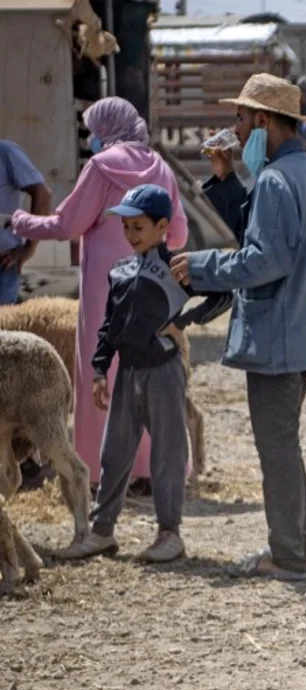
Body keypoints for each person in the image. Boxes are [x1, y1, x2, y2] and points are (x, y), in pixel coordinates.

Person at [170, 73, 306, 580]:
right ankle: (298, 546)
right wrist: (224, 179)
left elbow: (264, 259)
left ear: (263, 121)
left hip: (278, 333)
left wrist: (201, 267)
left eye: (241, 119)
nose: (235, 130)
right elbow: (262, 232)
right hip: (301, 329)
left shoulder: (278, 180)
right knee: (285, 441)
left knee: (277, 447)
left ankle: (287, 555)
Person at [8, 98, 188, 487]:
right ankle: (150, 470)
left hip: (103, 289)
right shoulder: (161, 168)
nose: (91, 138)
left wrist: (20, 221)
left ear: (105, 129)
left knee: (101, 371)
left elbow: (67, 224)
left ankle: (102, 470)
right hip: (150, 285)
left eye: (93, 129)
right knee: (147, 369)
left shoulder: (101, 168)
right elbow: (179, 233)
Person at [57, 185, 196, 563]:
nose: (131, 235)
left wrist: (182, 322)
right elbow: (109, 325)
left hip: (164, 371)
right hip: (128, 371)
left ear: (163, 226)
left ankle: (170, 533)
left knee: (167, 453)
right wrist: (100, 369)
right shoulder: (121, 270)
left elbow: (221, 295)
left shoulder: (177, 268)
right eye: (127, 227)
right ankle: (103, 531)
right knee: (114, 451)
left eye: (139, 227)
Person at [0, 140, 51, 305]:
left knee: (3, 327)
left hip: (3, 263)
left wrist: (29, 247)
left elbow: (42, 194)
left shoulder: (6, 153)